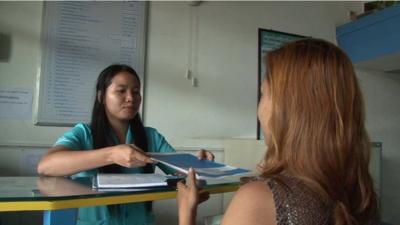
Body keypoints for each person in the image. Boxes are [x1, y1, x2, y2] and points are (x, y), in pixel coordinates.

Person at [177, 38, 379, 225]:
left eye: (263, 94)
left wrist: (186, 213)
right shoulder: (361, 194)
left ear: (290, 110)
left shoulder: (258, 198)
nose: (259, 109)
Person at [37, 64, 214, 225]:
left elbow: (180, 173)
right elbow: (47, 165)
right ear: (101, 96)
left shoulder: (150, 136)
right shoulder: (83, 133)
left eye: (136, 92)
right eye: (121, 91)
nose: (131, 98)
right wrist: (111, 154)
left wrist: (198, 164)